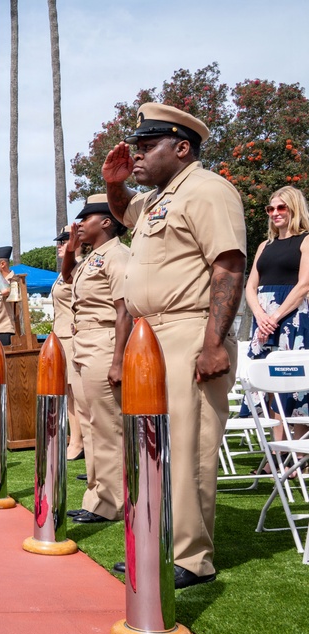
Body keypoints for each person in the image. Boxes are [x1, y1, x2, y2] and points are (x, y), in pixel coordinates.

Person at [103, 102, 246, 589]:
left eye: (146, 148)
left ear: (181, 148)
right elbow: (123, 214)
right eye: (136, 148)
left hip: (189, 331)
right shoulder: (158, 198)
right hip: (149, 336)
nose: (137, 155)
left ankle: (191, 557)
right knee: (151, 446)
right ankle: (158, 541)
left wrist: (214, 344)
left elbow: (227, 264)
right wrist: (114, 184)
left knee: (188, 447)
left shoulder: (208, 190)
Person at [62, 195, 132, 525]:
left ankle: (113, 502)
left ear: (106, 221)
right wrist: (72, 247)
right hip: (82, 341)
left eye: (85, 219)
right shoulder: (92, 258)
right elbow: (67, 278)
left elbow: (124, 311)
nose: (79, 224)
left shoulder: (117, 255)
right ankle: (96, 496)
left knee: (107, 426)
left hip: (104, 342)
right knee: (90, 425)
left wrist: (118, 361)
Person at [244, 186, 309, 438]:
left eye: (281, 207)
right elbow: (250, 286)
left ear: (294, 208)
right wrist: (261, 315)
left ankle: (301, 457)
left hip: (293, 316)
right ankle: (277, 452)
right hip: (263, 320)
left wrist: (274, 316)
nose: (275, 213)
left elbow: (304, 284)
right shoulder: (264, 245)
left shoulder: (305, 241)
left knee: (296, 382)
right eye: (270, 208)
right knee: (268, 384)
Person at [49, 226, 86, 463]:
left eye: (65, 239)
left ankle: (80, 442)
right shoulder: (68, 269)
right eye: (60, 241)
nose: (60, 244)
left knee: (79, 394)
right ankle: (76, 439)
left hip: (74, 336)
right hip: (62, 336)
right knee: (71, 394)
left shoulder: (82, 267)